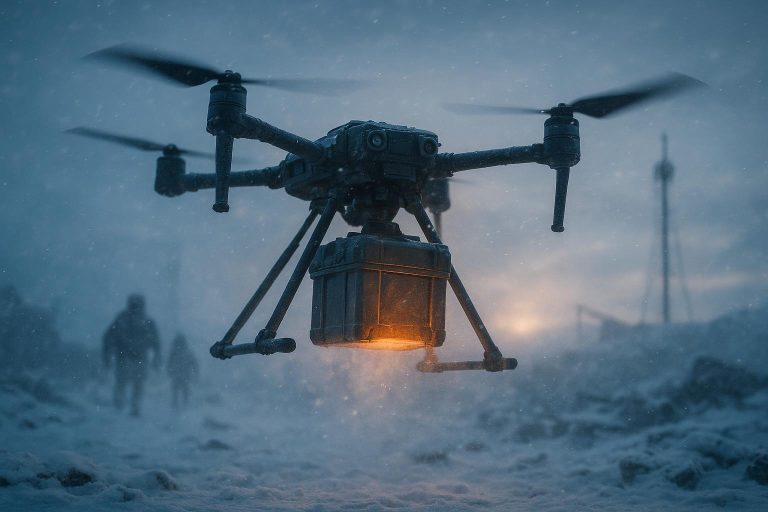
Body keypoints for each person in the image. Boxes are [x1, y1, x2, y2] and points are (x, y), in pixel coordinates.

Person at [102, 294, 161, 416]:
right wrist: (156, 359)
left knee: (130, 384)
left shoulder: (125, 320)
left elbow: (156, 343)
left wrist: (107, 355)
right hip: (129, 358)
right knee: (130, 384)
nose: (137, 308)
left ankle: (128, 406)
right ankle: (127, 406)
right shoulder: (125, 320)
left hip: (131, 358)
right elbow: (109, 338)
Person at [166, 334, 199, 408]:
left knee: (177, 390)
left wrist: (169, 371)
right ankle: (183, 405)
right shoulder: (188, 352)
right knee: (183, 390)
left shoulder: (174, 352)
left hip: (177, 374)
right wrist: (195, 372)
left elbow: (169, 363)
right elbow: (194, 364)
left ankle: (177, 405)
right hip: (184, 374)